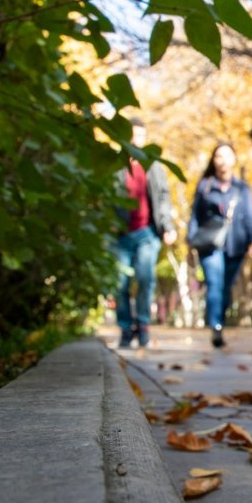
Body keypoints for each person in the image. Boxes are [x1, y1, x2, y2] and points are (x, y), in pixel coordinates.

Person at [188, 142, 252, 348]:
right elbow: (195, 215)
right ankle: (216, 326)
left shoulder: (242, 188)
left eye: (227, 155)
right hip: (210, 244)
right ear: (213, 160)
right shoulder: (205, 186)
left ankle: (218, 319)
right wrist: (190, 240)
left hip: (236, 244)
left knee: (226, 288)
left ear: (234, 159)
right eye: (218, 156)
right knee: (215, 283)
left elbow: (250, 215)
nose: (223, 160)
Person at [114, 118, 176, 348]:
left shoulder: (153, 165)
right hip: (119, 234)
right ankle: (124, 328)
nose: (135, 140)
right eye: (132, 135)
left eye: (140, 135)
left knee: (145, 277)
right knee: (120, 283)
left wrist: (167, 226)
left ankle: (142, 325)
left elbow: (163, 196)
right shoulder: (114, 164)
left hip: (148, 232)